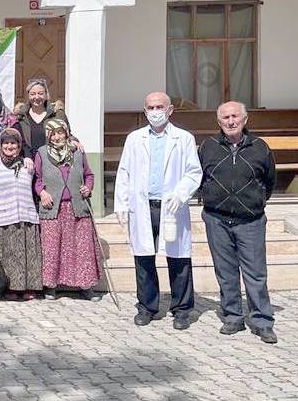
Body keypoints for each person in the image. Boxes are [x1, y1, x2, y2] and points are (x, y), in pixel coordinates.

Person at [114, 91, 203, 330]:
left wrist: (181, 193)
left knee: (179, 257)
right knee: (143, 257)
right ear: (145, 111)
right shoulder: (135, 138)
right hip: (143, 207)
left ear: (170, 110)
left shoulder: (183, 138)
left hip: (172, 207)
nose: (155, 112)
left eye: (159, 107)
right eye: (150, 108)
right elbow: (124, 172)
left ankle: (182, 309)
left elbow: (194, 172)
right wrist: (121, 203)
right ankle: (147, 307)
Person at [199, 101, 279, 344]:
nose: (230, 121)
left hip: (250, 221)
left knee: (255, 273)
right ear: (219, 121)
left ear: (245, 120)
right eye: (225, 117)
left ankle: (262, 321)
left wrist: (254, 202)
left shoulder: (260, 147)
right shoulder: (208, 147)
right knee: (225, 272)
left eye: (235, 116)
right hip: (217, 219)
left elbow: (270, 180)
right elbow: (199, 177)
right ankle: (233, 316)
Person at [0, 128, 44, 300]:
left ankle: (28, 288)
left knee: (28, 255)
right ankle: (9, 289)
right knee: (8, 256)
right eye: (6, 143)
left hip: (25, 216)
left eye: (14, 143)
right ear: (0, 145)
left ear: (19, 147)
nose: (10, 146)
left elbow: (37, 186)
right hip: (0, 218)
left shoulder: (28, 166)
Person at [33, 117, 101, 300]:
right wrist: (42, 193)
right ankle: (51, 286)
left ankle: (85, 286)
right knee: (52, 248)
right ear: (48, 136)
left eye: (60, 132)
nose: (57, 137)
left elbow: (89, 175)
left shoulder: (78, 152)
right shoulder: (41, 153)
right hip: (53, 208)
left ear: (66, 132)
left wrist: (88, 187)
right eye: (53, 133)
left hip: (77, 207)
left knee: (82, 248)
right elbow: (37, 180)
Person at [14, 78, 68, 158]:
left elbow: (68, 134)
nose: (37, 97)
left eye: (40, 93)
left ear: (46, 95)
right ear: (28, 95)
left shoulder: (57, 114)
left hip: (52, 161)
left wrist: (75, 141)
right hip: (28, 162)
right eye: (33, 94)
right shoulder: (20, 116)